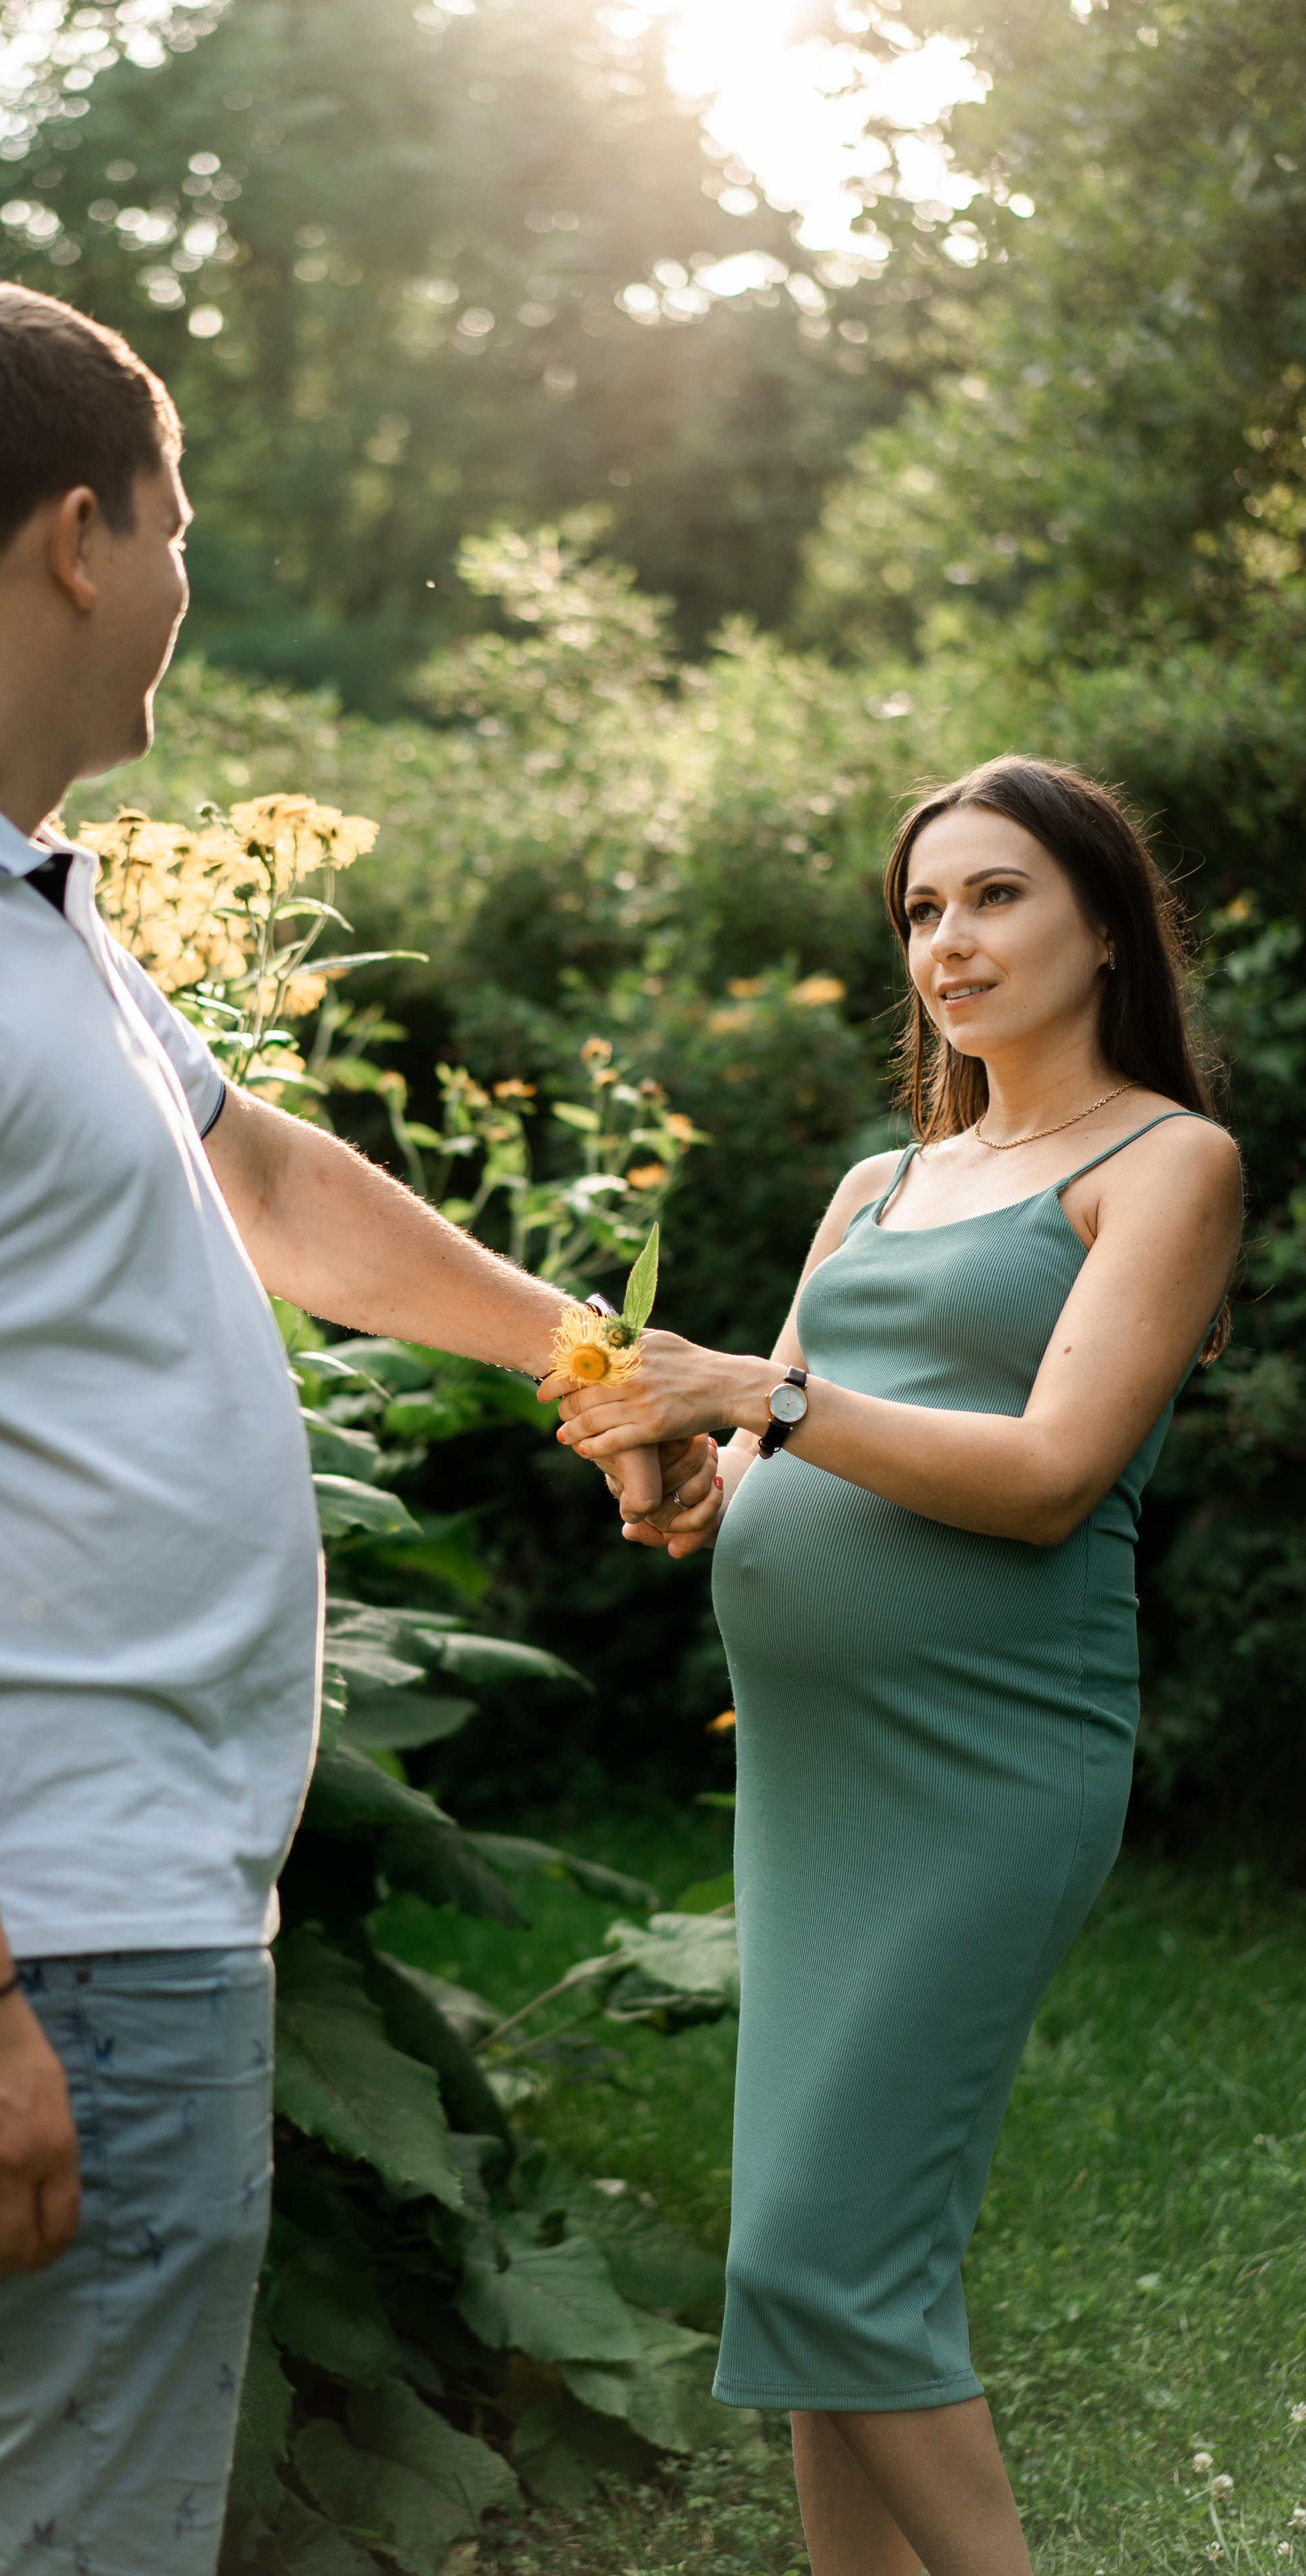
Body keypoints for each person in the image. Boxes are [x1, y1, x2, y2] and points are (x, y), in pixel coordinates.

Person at [0, 281, 707, 2576]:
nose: (193, 583)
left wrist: (583, 1365)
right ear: (80, 537)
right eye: (185, 520)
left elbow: (268, 1173)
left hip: (91, 1890)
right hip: (37, 1905)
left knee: (22, 2508)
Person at [545, 756, 1241, 2576]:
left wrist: (755, 1394)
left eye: (997, 896)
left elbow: (1046, 1477)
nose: (952, 939)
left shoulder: (1168, 1166)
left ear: (1103, 925)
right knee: (819, 2279)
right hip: (815, 1771)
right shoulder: (878, 1183)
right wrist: (686, 1463)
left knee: (817, 2260)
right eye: (923, 908)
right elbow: (781, 1444)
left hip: (989, 1765)